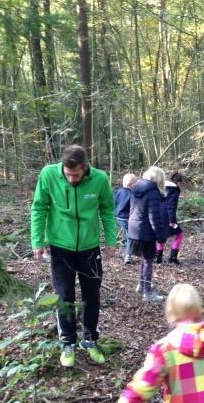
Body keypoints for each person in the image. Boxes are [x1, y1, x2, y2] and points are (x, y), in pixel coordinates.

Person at [30, 144, 117, 367]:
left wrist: (111, 239)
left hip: (89, 248)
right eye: (68, 174)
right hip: (61, 247)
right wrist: (37, 241)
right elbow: (39, 207)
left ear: (85, 167)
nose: (71, 179)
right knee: (64, 295)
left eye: (76, 174)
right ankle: (68, 341)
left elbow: (107, 209)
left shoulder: (99, 179)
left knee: (92, 295)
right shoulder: (49, 174)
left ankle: (89, 339)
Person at [128, 166, 167, 303]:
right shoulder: (152, 192)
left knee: (144, 259)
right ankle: (148, 292)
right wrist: (161, 236)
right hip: (145, 231)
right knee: (148, 261)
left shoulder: (136, 187)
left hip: (134, 228)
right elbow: (154, 217)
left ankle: (142, 285)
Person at [156, 172, 185, 265]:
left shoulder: (161, 187)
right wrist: (172, 221)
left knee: (161, 236)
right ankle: (172, 257)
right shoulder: (174, 190)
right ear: (179, 182)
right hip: (167, 217)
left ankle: (158, 259)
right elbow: (171, 206)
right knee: (180, 234)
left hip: (157, 215)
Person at [114, 172, 139, 265]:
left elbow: (114, 202)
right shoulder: (132, 194)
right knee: (130, 237)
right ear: (132, 184)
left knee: (129, 235)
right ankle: (128, 256)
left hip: (119, 218)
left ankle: (132, 252)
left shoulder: (117, 192)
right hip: (128, 219)